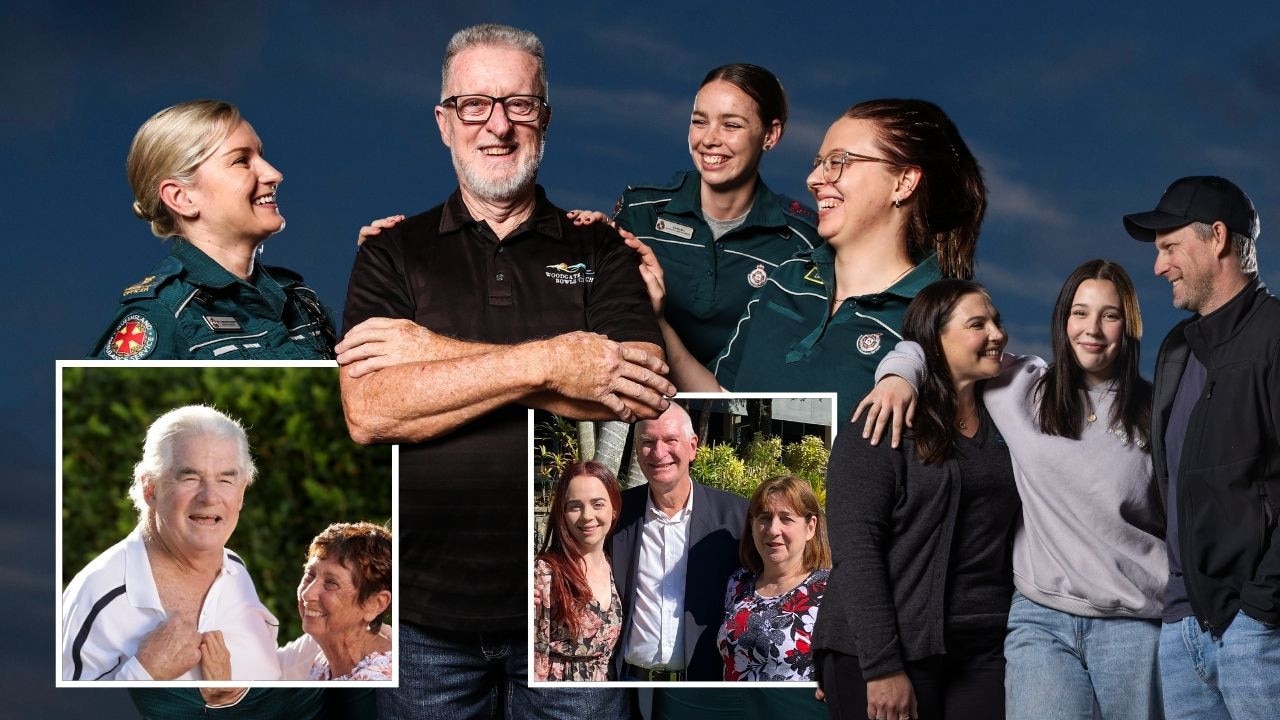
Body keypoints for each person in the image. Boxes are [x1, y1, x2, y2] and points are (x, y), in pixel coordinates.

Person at [336, 23, 672, 720]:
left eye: (519, 105)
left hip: (570, 604)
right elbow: (370, 410)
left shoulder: (598, 246)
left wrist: (428, 353)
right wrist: (557, 360)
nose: (498, 126)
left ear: (544, 119)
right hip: (425, 616)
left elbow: (635, 387)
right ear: (444, 122)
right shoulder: (392, 252)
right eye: (475, 105)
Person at [860, 259, 1166, 718]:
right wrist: (898, 374)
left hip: (1132, 623)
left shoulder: (1157, 411)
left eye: (1110, 315)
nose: (1093, 329)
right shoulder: (1022, 387)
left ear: (1129, 326)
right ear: (1063, 320)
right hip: (1041, 621)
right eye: (1080, 312)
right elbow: (942, 345)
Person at [645, 99, 986, 423]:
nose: (813, 180)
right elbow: (723, 400)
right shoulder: (786, 277)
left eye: (838, 162)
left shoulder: (943, 318)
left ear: (903, 181)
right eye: (818, 163)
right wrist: (658, 319)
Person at [814, 279, 1019, 720]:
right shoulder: (881, 421)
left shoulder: (1006, 418)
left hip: (984, 647)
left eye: (997, 322)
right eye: (977, 324)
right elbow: (857, 552)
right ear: (934, 340)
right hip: (889, 651)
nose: (997, 334)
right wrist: (882, 667)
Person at [1124, 175, 1280, 719]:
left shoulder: (1275, 336)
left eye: (1169, 248)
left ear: (1217, 238)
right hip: (1181, 631)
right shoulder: (1176, 349)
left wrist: (1260, 611)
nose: (1159, 266)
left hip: (1257, 635)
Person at [568, 63, 817, 365]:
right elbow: (606, 314)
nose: (709, 139)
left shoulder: (803, 239)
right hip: (647, 402)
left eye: (731, 125)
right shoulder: (640, 210)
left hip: (746, 409)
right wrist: (590, 248)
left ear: (771, 134)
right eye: (699, 122)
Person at [89, 99, 336, 360]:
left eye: (260, 156)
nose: (274, 174)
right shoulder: (161, 314)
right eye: (241, 160)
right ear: (182, 197)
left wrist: (374, 262)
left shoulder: (301, 301)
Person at [62, 406, 280, 683]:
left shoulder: (234, 570)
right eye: (190, 477)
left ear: (242, 492)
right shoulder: (98, 596)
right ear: (150, 489)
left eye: (226, 479)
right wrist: (143, 674)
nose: (210, 497)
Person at [610, 401, 747, 683]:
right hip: (629, 683)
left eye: (670, 440)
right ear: (636, 450)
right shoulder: (614, 516)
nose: (659, 453)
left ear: (693, 446)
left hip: (703, 685)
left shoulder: (737, 518)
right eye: (648, 442)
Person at [719, 474, 830, 681]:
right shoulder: (738, 583)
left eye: (786, 518)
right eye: (764, 518)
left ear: (810, 527)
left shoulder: (832, 591)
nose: (773, 530)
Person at [534, 462, 624, 681]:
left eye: (597, 504)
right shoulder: (546, 574)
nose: (587, 516)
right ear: (562, 514)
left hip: (611, 700)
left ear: (613, 510)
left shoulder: (617, 564)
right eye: (575, 506)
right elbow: (533, 657)